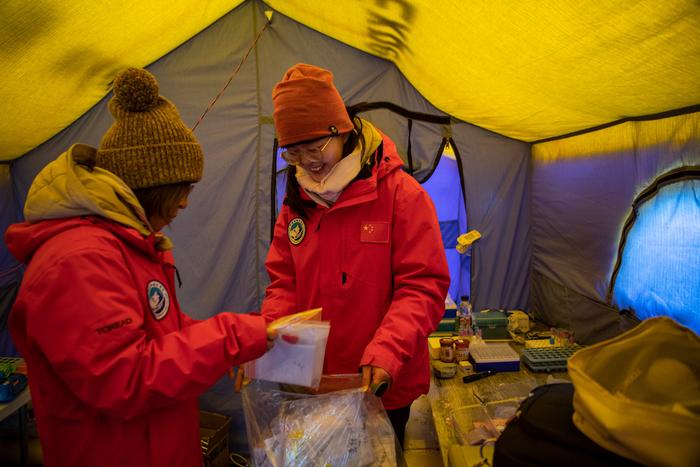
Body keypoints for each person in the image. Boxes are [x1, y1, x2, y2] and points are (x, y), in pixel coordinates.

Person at [4, 68, 276, 467]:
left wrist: (238, 341)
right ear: (154, 184)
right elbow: (126, 378)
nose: (184, 204)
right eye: (183, 189)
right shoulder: (78, 261)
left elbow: (161, 329)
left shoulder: (128, 244)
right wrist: (231, 338)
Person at [263, 63, 450, 443]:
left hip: (380, 382)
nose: (309, 163)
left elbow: (423, 286)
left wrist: (387, 351)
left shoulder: (401, 195)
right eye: (295, 154)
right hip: (315, 382)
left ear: (341, 131)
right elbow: (283, 282)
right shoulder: (297, 204)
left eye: (316, 148)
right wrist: (264, 338)